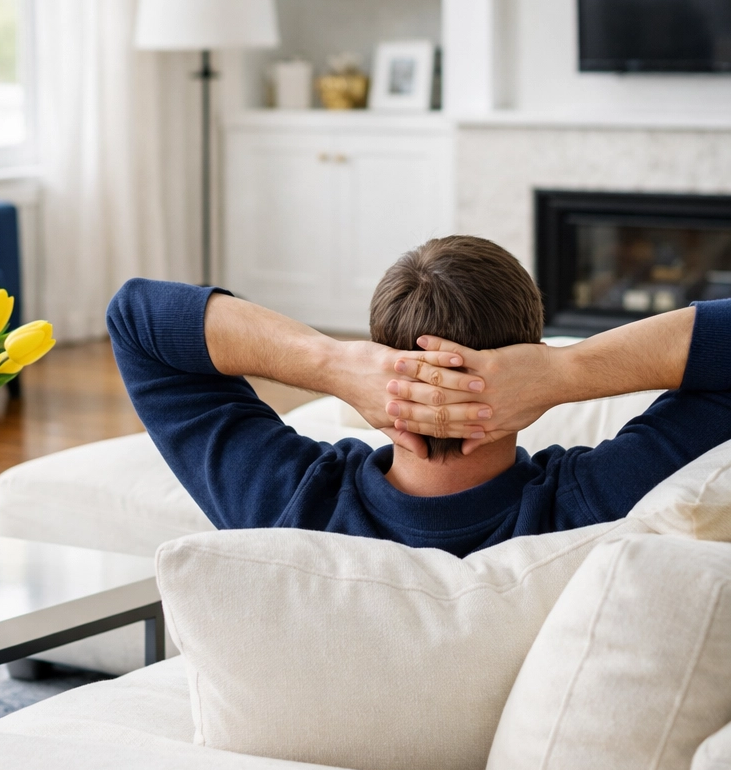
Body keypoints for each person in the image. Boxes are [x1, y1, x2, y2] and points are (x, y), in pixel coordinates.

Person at [106, 235, 731, 557]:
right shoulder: (599, 504)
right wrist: (562, 373)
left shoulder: (286, 505)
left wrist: (334, 364)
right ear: (525, 348)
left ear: (381, 353)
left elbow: (137, 320)